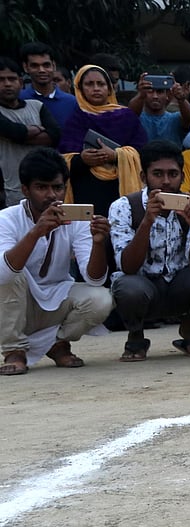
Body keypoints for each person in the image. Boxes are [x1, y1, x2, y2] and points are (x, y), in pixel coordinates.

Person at [108, 140, 190, 361]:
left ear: (182, 177)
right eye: (158, 174)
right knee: (127, 286)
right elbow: (128, 266)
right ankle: (136, 335)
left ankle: (189, 329)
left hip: (179, 285)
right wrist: (146, 222)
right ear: (144, 177)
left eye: (173, 174)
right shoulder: (123, 207)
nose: (166, 181)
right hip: (143, 285)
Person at [0, 148, 113, 375]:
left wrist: (99, 243)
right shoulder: (7, 218)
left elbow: (94, 279)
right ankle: (13, 350)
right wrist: (35, 233)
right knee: (14, 273)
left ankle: (56, 343)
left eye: (58, 187)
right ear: (25, 190)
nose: (52, 195)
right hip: (14, 304)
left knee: (101, 299)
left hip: (57, 297)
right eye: (42, 187)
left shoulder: (77, 219)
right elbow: (3, 275)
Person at [59, 65, 146, 216]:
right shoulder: (76, 119)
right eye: (89, 84)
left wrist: (117, 155)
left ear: (110, 88)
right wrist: (82, 159)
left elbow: (144, 152)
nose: (96, 88)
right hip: (87, 191)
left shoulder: (126, 117)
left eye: (101, 84)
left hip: (121, 190)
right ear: (79, 88)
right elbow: (63, 159)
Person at [0, 56, 61, 207]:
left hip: (44, 187)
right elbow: (14, 131)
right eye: (1, 80)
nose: (7, 84)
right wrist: (34, 130)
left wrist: (19, 135)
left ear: (20, 83)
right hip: (8, 189)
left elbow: (55, 135)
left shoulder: (36, 106)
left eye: (12, 79)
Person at [18, 43, 76, 129]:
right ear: (26, 67)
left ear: (54, 66)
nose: (41, 70)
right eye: (35, 66)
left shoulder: (72, 102)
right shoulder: (18, 99)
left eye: (46, 65)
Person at [129, 72, 190, 145]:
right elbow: (130, 116)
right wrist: (140, 95)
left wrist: (181, 99)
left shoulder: (175, 119)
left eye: (160, 92)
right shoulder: (139, 119)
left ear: (167, 95)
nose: (155, 96)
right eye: (150, 91)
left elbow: (188, 119)